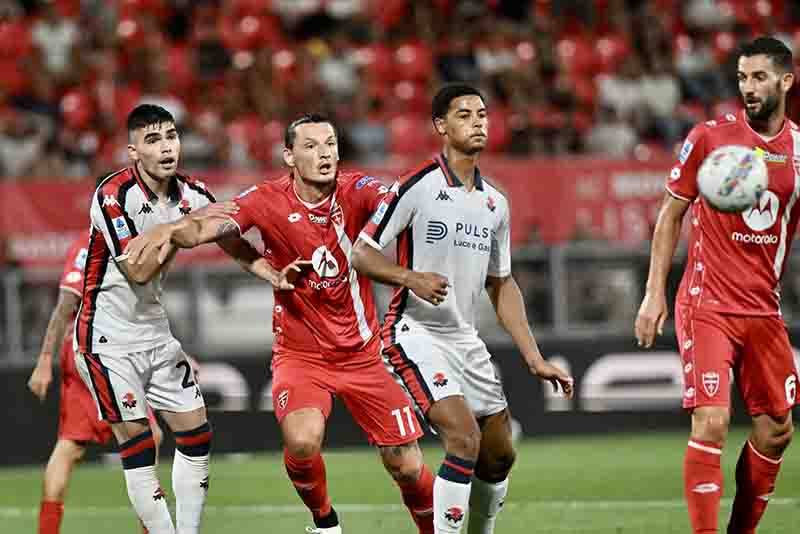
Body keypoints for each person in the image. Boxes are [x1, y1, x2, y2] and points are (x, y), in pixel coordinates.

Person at [125, 114, 435, 534]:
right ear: (289, 155)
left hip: (364, 353)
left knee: (407, 466)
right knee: (302, 442)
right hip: (301, 355)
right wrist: (170, 229)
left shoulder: (357, 190)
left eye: (330, 144)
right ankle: (326, 523)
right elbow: (208, 227)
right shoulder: (266, 199)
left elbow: (399, 201)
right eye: (311, 146)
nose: (324, 154)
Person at [350, 84, 574, 534]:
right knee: (464, 439)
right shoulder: (417, 186)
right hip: (414, 332)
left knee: (499, 455)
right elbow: (361, 252)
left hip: (464, 338)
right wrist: (410, 278)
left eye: (482, 114)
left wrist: (534, 357)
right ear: (441, 126)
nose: (477, 122)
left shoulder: (496, 203)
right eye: (464, 115)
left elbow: (501, 283)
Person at [72, 103, 267, 534]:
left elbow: (232, 240)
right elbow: (139, 270)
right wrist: (179, 231)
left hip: (155, 331)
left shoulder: (193, 194)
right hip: (106, 337)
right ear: (133, 151)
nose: (166, 148)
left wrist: (273, 273)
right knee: (139, 442)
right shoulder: (113, 195)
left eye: (171, 136)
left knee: (196, 432)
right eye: (153, 140)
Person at [635, 36, 799, 534]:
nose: (749, 87)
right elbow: (671, 214)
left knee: (776, 431)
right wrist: (654, 292)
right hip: (707, 302)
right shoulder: (710, 137)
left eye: (759, 77)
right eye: (743, 77)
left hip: (764, 309)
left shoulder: (799, 151)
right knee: (711, 421)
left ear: (786, 81)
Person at [28, 236, 164, 534]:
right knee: (147, 437)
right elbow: (66, 304)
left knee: (70, 446)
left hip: (92, 350)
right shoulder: (108, 245)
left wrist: (46, 359)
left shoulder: (95, 243)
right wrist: (44, 359)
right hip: (102, 350)